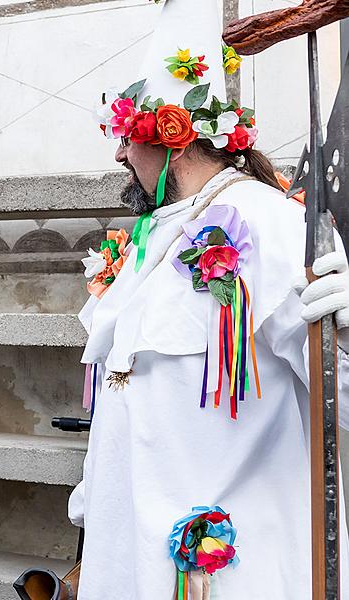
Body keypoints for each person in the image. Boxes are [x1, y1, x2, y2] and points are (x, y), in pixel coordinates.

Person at [72, 1, 349, 598]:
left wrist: (348, 337)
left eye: (125, 137)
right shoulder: (149, 240)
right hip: (128, 565)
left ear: (170, 137)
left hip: (223, 573)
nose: (119, 155)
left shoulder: (273, 227)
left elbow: (342, 399)